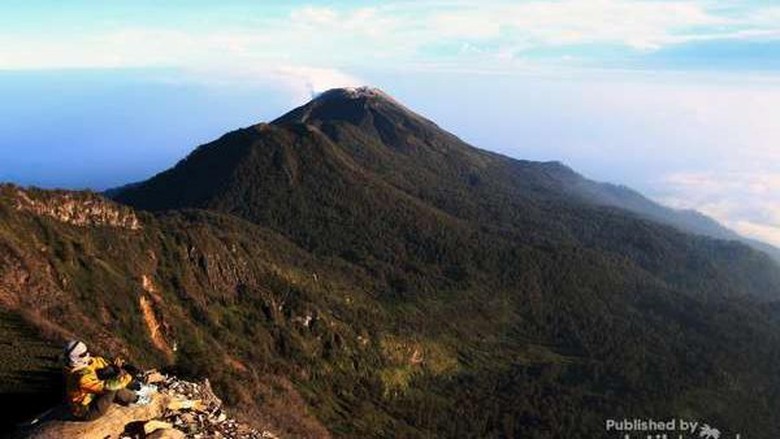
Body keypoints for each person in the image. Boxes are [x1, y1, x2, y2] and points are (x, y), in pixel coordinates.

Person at [62, 340, 138, 421]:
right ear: (75, 359)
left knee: (110, 371)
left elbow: (97, 362)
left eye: (87, 351)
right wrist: (129, 376)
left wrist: (118, 365)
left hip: (89, 395)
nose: (87, 354)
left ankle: (134, 390)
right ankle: (136, 399)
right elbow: (108, 387)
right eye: (84, 354)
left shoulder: (74, 365)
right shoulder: (81, 377)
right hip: (86, 410)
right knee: (112, 388)